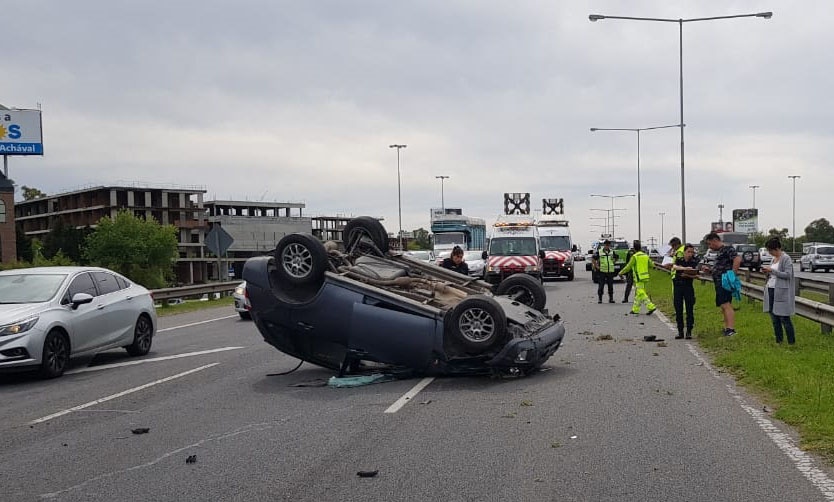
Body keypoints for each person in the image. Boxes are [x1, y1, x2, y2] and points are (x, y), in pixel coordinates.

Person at [703, 232, 741, 336]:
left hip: (724, 280)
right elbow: (720, 267)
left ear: (715, 240)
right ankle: (727, 327)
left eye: (710, 244)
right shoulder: (720, 252)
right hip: (719, 280)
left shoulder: (728, 249)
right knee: (723, 305)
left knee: (726, 304)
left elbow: (737, 259)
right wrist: (710, 270)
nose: (710, 247)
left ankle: (731, 329)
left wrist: (732, 273)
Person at [761, 237, 796, 344]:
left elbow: (788, 275)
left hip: (782, 291)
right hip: (771, 288)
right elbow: (773, 274)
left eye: (771, 251)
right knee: (774, 317)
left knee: (784, 317)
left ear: (776, 249)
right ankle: (779, 340)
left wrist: (772, 270)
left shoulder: (786, 258)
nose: (770, 253)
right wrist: (767, 272)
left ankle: (791, 341)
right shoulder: (773, 259)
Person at [619, 240, 656, 315]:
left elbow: (628, 267)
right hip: (645, 276)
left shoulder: (635, 257)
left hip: (639, 277)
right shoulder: (645, 255)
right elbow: (652, 265)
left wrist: (620, 272)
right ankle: (635, 309)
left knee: (641, 292)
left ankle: (651, 306)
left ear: (634, 248)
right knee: (638, 293)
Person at [671, 244, 700, 339]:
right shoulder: (679, 260)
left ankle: (689, 331)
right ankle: (680, 331)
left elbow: (697, 275)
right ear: (684, 252)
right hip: (678, 286)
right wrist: (685, 269)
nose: (690, 254)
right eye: (688, 252)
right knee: (678, 309)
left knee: (689, 309)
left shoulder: (694, 262)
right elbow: (674, 267)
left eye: (692, 252)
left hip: (688, 287)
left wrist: (688, 275)